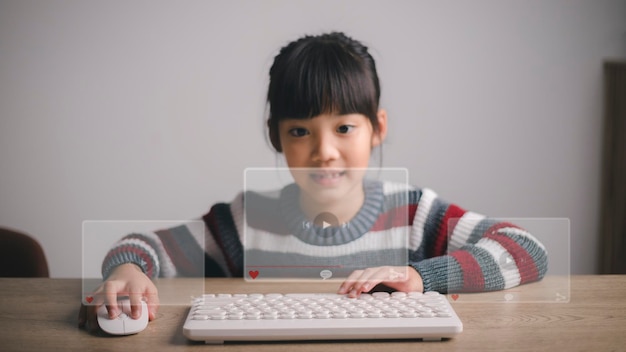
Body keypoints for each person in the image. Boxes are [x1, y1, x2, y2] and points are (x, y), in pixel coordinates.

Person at [78, 31, 548, 332]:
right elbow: (140, 246)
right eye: (300, 131)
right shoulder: (244, 223)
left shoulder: (417, 216)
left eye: (344, 128)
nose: (324, 151)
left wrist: (422, 276)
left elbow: (528, 249)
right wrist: (128, 272)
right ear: (276, 137)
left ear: (377, 128)